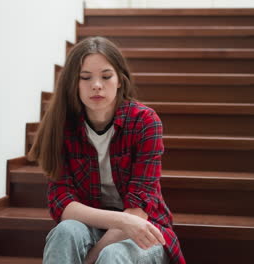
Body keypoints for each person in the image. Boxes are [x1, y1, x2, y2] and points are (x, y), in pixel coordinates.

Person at [27, 36, 185, 264]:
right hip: (93, 226)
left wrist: (92, 258)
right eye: (85, 78)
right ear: (74, 83)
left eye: (106, 76)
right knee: (65, 232)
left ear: (120, 80)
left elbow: (138, 211)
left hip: (143, 232)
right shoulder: (63, 126)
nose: (97, 85)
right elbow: (62, 203)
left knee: (113, 255)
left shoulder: (144, 122)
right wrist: (121, 221)